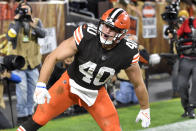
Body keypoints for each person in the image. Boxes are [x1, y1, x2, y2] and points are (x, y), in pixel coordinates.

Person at [17, 8, 150, 131]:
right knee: (39, 118)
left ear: (122, 34)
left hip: (96, 93)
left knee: (114, 129)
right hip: (69, 85)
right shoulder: (87, 35)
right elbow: (53, 57)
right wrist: (41, 85)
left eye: (112, 29)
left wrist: (145, 108)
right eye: (105, 25)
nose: (106, 31)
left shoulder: (127, 51)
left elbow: (138, 83)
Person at [6, 1, 46, 124]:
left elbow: (43, 34)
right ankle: (21, 115)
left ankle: (30, 114)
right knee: (21, 92)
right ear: (18, 11)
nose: (25, 12)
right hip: (19, 64)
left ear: (31, 11)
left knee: (33, 91)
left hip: (33, 63)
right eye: (22, 10)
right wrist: (18, 21)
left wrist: (32, 25)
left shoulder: (36, 21)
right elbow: (10, 37)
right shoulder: (13, 24)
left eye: (27, 10)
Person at [177, 15, 196, 119]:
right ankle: (186, 108)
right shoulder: (187, 22)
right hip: (186, 58)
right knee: (182, 85)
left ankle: (192, 107)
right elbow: (177, 35)